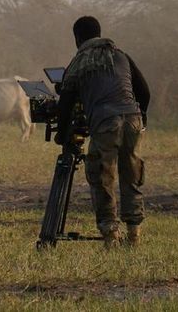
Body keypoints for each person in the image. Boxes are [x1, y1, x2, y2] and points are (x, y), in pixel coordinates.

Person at [56, 15, 152, 248]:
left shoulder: (79, 61)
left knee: (102, 176)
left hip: (105, 122)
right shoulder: (121, 55)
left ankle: (110, 235)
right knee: (131, 175)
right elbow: (144, 91)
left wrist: (61, 133)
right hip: (133, 120)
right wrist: (141, 116)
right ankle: (134, 234)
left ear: (78, 38)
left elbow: (65, 102)